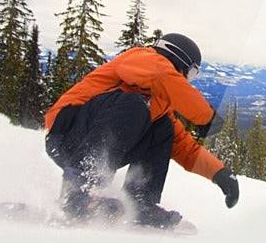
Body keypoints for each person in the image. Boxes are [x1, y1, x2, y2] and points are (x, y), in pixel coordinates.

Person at [43, 33, 240, 228]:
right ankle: (76, 193)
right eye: (191, 73)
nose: (189, 80)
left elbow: (184, 146)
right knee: (134, 104)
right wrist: (206, 117)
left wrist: (219, 173)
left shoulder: (158, 103)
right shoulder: (141, 57)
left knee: (163, 128)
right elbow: (162, 75)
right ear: (177, 59)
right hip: (66, 132)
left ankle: (140, 205)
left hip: (90, 141)